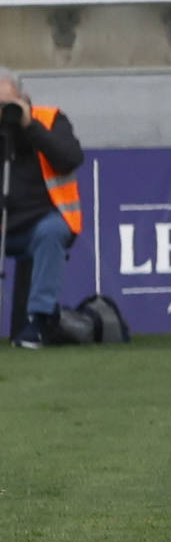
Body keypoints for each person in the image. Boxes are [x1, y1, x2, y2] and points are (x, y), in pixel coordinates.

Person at [0, 68, 83, 350]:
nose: (3, 113)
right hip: (5, 224)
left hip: (41, 223)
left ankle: (37, 321)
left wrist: (30, 125)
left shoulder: (49, 119)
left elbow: (70, 159)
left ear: (25, 99)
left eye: (7, 105)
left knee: (51, 231)